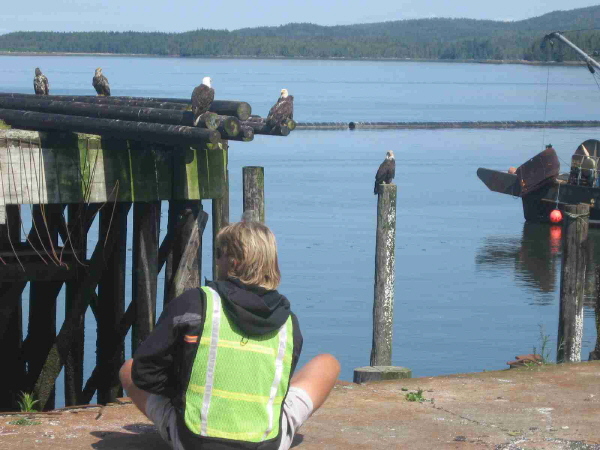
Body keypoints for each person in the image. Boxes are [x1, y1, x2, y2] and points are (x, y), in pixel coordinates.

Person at [120, 220, 340, 450]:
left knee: (128, 368)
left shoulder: (196, 302)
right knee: (328, 363)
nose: (216, 260)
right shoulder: (288, 321)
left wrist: (184, 392)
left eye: (218, 254)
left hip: (196, 442)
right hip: (267, 443)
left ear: (233, 261)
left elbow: (144, 373)